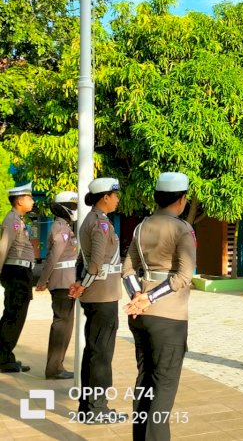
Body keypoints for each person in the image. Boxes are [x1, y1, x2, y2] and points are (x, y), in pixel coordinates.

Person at [121, 172, 196, 441]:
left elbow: (127, 269)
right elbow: (183, 277)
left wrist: (137, 298)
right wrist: (149, 298)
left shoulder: (141, 226)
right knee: (162, 392)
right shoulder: (182, 229)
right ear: (181, 200)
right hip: (169, 318)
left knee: (145, 383)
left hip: (141, 315)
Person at [68, 177, 124, 421]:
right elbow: (96, 263)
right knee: (101, 354)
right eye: (116, 195)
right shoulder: (99, 223)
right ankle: (97, 409)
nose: (118, 199)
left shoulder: (91, 220)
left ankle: (87, 407)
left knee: (93, 351)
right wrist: (83, 285)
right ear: (105, 197)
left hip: (97, 295)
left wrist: (82, 285)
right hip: (103, 296)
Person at [36, 191, 79, 379]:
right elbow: (53, 257)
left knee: (66, 325)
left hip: (66, 281)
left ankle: (57, 366)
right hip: (63, 283)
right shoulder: (61, 227)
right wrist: (42, 280)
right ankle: (54, 368)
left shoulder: (65, 226)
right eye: (73, 206)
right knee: (62, 325)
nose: (75, 209)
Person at [0, 182, 35, 373]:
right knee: (13, 316)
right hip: (16, 273)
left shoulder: (18, 220)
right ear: (20, 200)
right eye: (29, 198)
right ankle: (3, 358)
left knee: (14, 316)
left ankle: (6, 355)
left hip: (21, 273)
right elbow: (3, 247)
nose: (32, 201)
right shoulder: (12, 221)